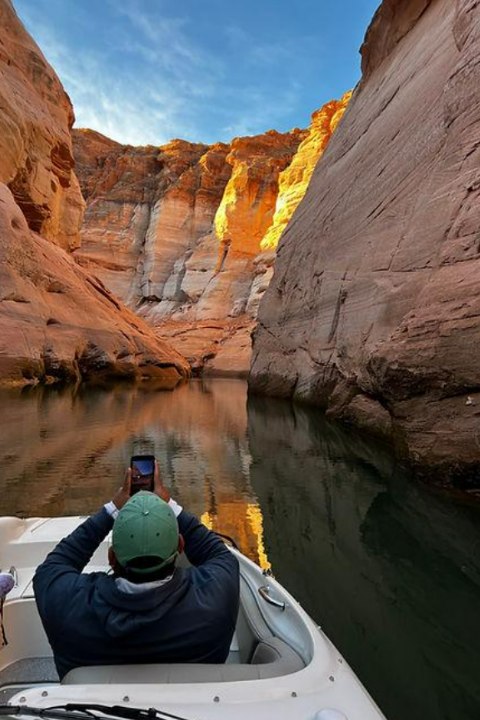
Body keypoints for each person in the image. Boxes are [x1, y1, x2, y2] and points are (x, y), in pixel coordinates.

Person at [33, 464, 240, 680]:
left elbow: (55, 565)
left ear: (112, 558)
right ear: (180, 546)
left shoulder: (64, 604)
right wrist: (168, 504)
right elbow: (217, 553)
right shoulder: (216, 597)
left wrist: (113, 508)